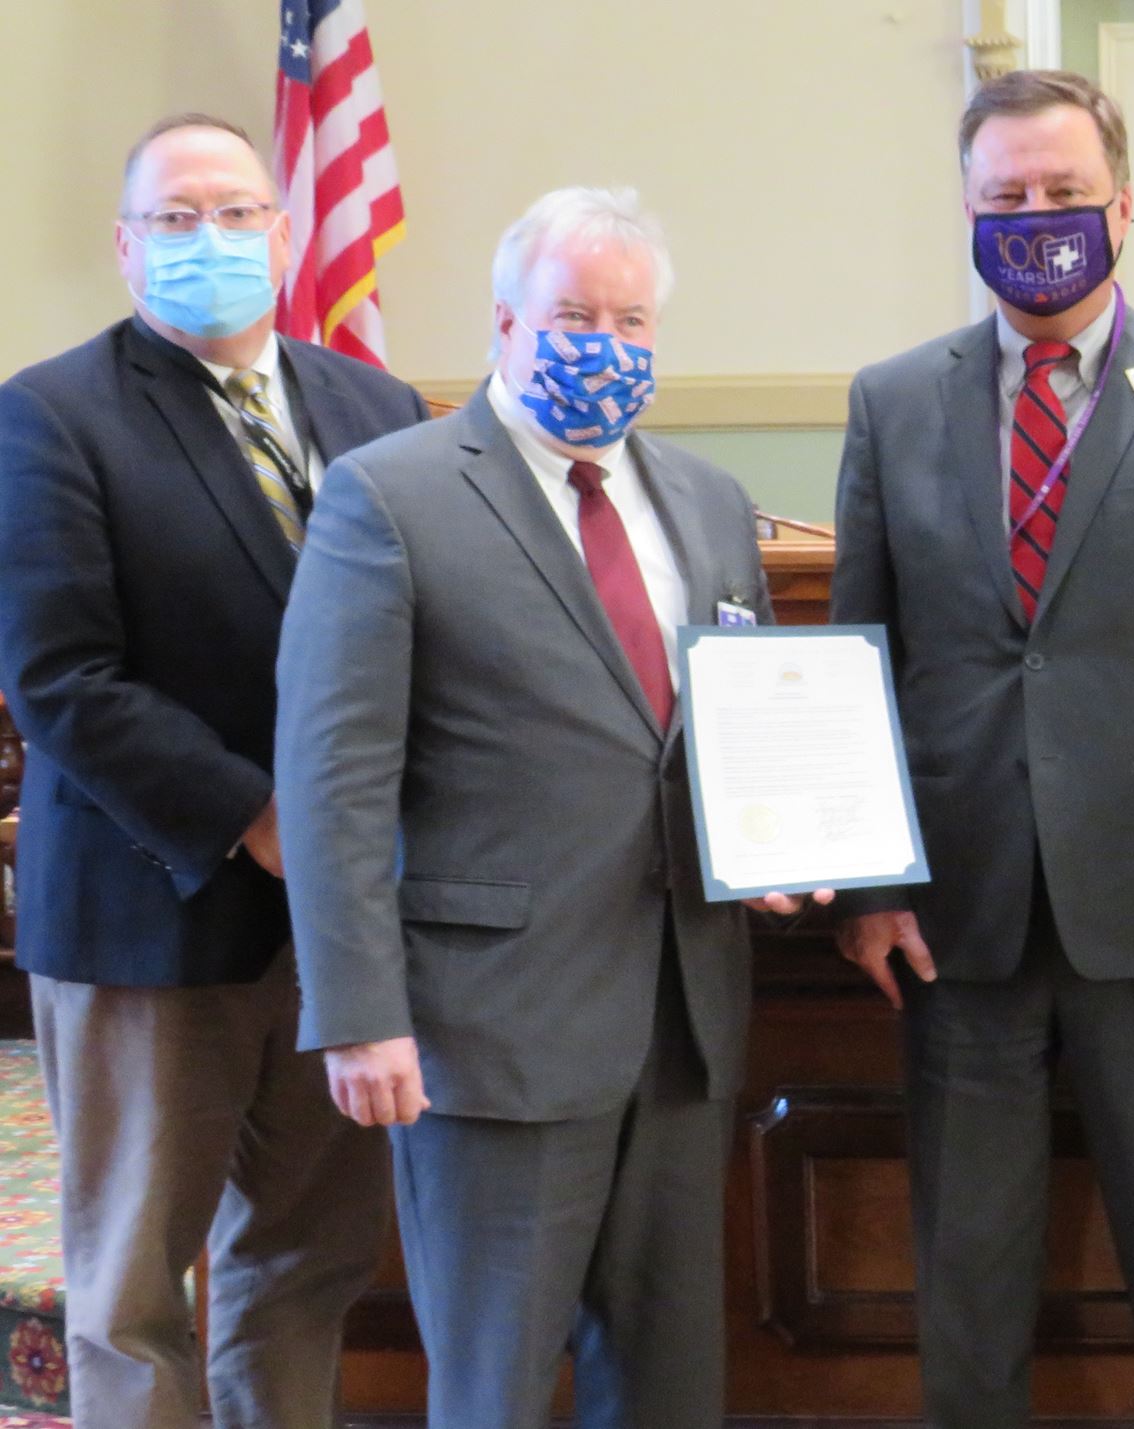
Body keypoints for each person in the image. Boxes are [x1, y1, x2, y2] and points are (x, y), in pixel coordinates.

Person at [274, 186, 807, 1429]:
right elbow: (333, 773)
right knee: (495, 1388)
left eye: (631, 321)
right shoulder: (388, 495)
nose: (604, 344)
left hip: (683, 1026)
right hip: (489, 1036)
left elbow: (736, 729)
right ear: (506, 321)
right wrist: (357, 1011)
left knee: (670, 1386)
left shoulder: (710, 502)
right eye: (574, 314)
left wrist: (771, 842)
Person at [829, 69, 1134, 1427]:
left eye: (1064, 195)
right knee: (967, 1289)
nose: (1037, 218)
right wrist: (867, 882)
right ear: (968, 214)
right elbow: (858, 659)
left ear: (1123, 207)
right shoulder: (894, 400)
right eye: (1007, 199)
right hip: (954, 915)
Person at [0, 112, 424, 1429]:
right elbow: (60, 676)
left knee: (304, 1257)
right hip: (150, 913)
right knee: (131, 1289)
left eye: (238, 212)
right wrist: (254, 814)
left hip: (338, 923)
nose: (211, 238)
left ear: (287, 235)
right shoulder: (49, 413)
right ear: (129, 249)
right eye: (177, 218)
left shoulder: (380, 407)